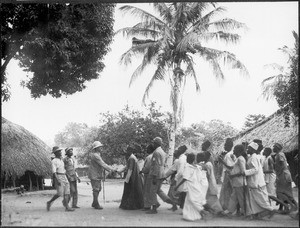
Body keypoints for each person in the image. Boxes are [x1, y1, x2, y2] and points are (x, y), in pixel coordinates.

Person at [243, 142, 275, 219]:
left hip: (256, 181)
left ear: (252, 149)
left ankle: (270, 209)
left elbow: (255, 169)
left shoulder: (254, 157)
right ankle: (256, 214)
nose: (247, 150)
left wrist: (245, 172)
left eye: (249, 148)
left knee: (260, 199)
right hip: (254, 181)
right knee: (254, 199)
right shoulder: (252, 157)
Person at [175, 153, 209, 221]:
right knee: (189, 200)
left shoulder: (188, 167)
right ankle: (190, 216)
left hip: (191, 186)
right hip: (196, 185)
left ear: (188, 159)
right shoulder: (197, 167)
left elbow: (185, 178)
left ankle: (202, 211)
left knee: (192, 200)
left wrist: (177, 186)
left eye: (187, 158)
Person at [146, 137, 176, 214]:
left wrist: (155, 176)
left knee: (152, 191)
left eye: (153, 143)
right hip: (161, 174)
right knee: (158, 190)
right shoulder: (162, 151)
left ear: (156, 144)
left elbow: (156, 165)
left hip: (157, 175)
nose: (152, 144)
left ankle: (154, 208)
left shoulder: (156, 152)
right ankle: (172, 203)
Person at [88, 141, 117, 210]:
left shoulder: (97, 154)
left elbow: (102, 165)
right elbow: (103, 164)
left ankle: (94, 202)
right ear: (96, 148)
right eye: (99, 147)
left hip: (97, 174)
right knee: (96, 189)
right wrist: (112, 169)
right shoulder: (95, 155)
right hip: (94, 174)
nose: (101, 148)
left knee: (98, 189)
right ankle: (96, 203)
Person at [225, 144, 252, 218]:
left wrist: (233, 175)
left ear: (238, 151)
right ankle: (230, 211)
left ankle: (248, 214)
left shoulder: (240, 159)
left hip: (240, 182)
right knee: (234, 197)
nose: (233, 151)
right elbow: (234, 167)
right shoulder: (238, 158)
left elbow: (243, 172)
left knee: (241, 198)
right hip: (236, 182)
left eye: (235, 150)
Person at [46, 146, 74, 212]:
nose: (60, 152)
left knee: (67, 192)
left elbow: (64, 170)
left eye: (60, 151)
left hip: (64, 176)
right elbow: (54, 172)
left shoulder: (61, 160)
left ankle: (67, 207)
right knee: (59, 193)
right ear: (55, 153)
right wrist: (57, 179)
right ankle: (49, 202)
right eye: (59, 151)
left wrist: (67, 176)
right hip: (59, 176)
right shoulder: (54, 161)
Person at [273, 143, 298, 213]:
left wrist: (278, 174)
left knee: (283, 192)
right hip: (284, 175)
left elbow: (282, 164)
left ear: (277, 148)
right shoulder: (280, 154)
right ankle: (285, 208)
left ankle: (293, 206)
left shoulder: (279, 155)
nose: (273, 148)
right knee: (284, 192)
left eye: (274, 147)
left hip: (283, 176)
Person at [197, 151, 223, 216]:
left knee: (211, 199)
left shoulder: (208, 164)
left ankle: (218, 211)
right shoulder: (208, 163)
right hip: (210, 183)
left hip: (209, 183)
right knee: (210, 198)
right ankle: (215, 211)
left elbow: (207, 174)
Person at [118, 145, 144, 210]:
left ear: (131, 151)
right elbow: (127, 167)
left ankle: (131, 205)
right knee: (135, 190)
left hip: (133, 176)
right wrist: (120, 171)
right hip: (135, 176)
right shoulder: (132, 157)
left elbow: (130, 169)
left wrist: (127, 179)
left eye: (128, 150)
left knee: (131, 190)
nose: (127, 152)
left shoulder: (132, 158)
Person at [218, 138, 235, 211]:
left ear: (229, 146)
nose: (224, 146)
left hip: (228, 174)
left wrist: (222, 161)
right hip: (229, 174)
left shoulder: (228, 155)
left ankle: (225, 207)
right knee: (228, 191)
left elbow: (230, 166)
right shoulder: (231, 154)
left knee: (226, 191)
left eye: (225, 145)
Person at [140, 144, 156, 210]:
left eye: (147, 149)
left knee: (146, 191)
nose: (146, 150)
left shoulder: (149, 157)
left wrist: (142, 171)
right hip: (152, 174)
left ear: (150, 149)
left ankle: (147, 206)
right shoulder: (154, 156)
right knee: (150, 191)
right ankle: (151, 204)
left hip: (148, 175)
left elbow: (147, 167)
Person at [174, 145, 188, 209]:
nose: (178, 150)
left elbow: (181, 170)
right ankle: (182, 207)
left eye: (179, 149)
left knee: (182, 192)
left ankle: (183, 207)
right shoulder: (182, 157)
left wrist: (176, 178)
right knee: (182, 193)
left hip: (181, 177)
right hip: (182, 176)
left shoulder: (182, 158)